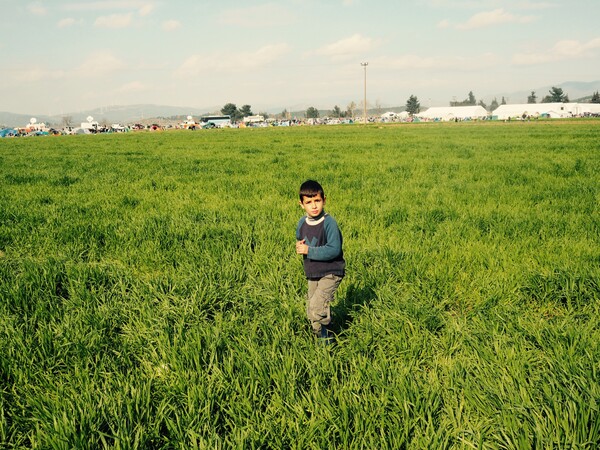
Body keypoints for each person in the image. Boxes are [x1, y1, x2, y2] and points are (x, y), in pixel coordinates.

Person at [295, 180, 345, 341]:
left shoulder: (329, 223)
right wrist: (299, 246)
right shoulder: (302, 223)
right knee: (311, 310)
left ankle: (328, 338)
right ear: (301, 204)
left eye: (317, 200)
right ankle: (318, 338)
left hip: (331, 272)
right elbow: (300, 239)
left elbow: (334, 249)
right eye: (309, 202)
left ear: (324, 200)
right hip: (313, 273)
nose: (314, 206)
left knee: (317, 308)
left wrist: (309, 250)